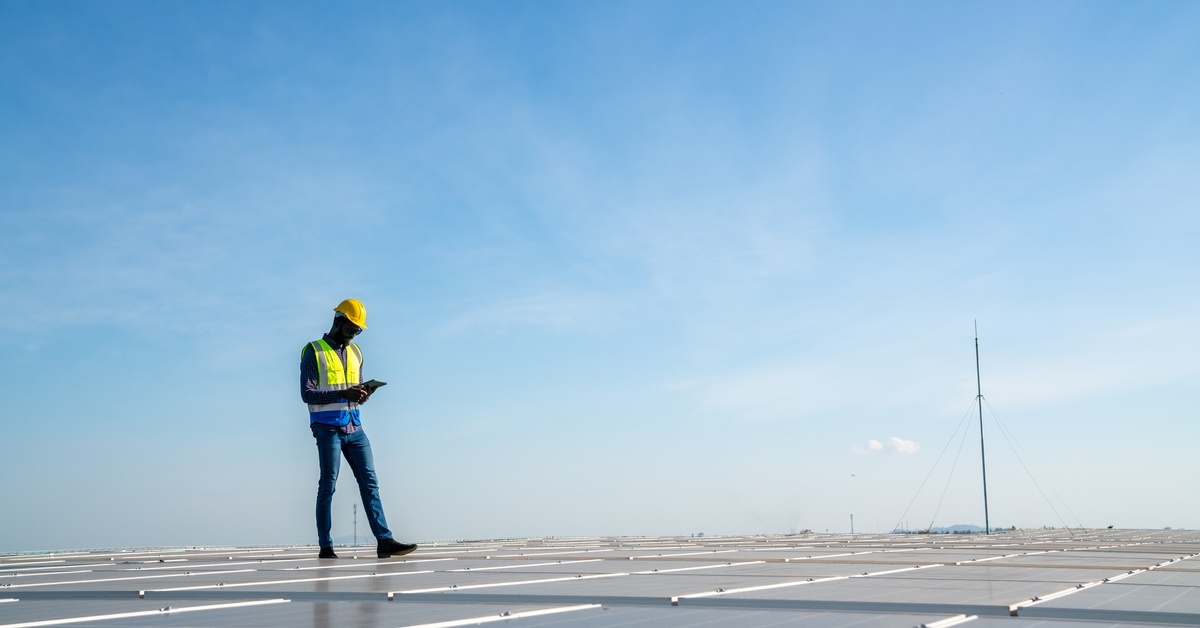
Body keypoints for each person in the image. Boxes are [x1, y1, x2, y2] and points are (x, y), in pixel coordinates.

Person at [300, 298, 417, 559]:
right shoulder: (313, 351)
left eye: (357, 330)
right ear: (338, 322)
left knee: (370, 484)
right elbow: (307, 394)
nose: (354, 334)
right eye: (351, 329)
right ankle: (325, 546)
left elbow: (356, 389)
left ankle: (384, 541)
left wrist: (364, 394)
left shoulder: (356, 352)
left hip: (355, 427)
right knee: (328, 485)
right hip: (327, 428)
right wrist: (344, 393)